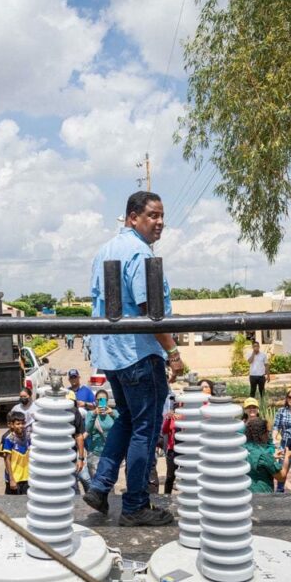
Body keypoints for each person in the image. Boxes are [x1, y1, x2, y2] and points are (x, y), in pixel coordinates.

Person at [84, 191, 183, 527]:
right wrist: (173, 352)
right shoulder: (139, 254)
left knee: (126, 419)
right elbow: (149, 311)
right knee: (145, 428)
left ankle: (100, 487)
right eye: (152, 215)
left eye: (161, 216)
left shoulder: (106, 250)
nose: (160, 222)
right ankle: (135, 505)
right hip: (138, 354)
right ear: (132, 217)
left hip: (112, 355)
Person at [244, 418, 291, 493]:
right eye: (268, 432)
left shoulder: (242, 449)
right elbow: (281, 477)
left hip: (245, 492)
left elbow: (254, 460)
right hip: (262, 493)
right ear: (261, 435)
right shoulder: (264, 455)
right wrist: (287, 457)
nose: (269, 435)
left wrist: (272, 457)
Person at [85, 389, 118, 477]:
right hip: (95, 454)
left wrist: (113, 414)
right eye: (99, 400)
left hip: (110, 454)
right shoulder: (90, 414)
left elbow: (123, 427)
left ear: (107, 401)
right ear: (95, 401)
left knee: (108, 481)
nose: (101, 402)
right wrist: (94, 415)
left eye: (104, 400)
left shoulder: (113, 413)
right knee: (96, 481)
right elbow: (88, 430)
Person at [65, 390, 91, 494]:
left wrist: (80, 459)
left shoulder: (76, 412)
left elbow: (80, 435)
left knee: (76, 482)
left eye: (72, 402)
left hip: (72, 456)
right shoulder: (56, 413)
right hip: (58, 457)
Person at [1, 411, 30, 495]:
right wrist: (11, 479)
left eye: (23, 423)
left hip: (26, 477)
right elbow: (7, 460)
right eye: (18, 424)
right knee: (12, 501)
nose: (21, 426)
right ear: (12, 425)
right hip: (15, 478)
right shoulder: (8, 439)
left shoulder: (28, 436)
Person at [160, 398, 183, 494]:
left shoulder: (187, 418)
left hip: (185, 451)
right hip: (172, 451)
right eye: (176, 406)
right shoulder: (170, 417)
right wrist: (168, 418)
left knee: (186, 475)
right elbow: (164, 431)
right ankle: (166, 496)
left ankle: (188, 496)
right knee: (170, 476)